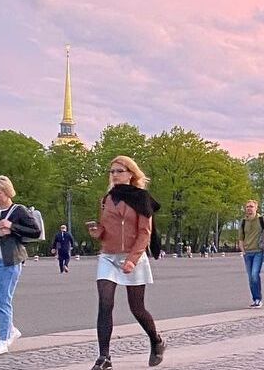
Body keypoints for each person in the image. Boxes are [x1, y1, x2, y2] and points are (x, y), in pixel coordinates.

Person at [85, 156, 165, 369]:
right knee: (105, 303)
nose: (114, 175)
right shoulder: (107, 198)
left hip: (133, 256)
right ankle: (104, 357)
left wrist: (132, 260)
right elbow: (105, 229)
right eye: (112, 171)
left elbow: (144, 232)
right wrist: (97, 231)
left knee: (137, 308)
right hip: (108, 256)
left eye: (119, 171)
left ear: (131, 174)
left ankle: (156, 340)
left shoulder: (142, 198)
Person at [0, 176, 41, 356]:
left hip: (9, 260)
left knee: (3, 299)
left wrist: (11, 227)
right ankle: (11, 329)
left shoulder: (18, 210)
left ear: (7, 192)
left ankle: (3, 339)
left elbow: (35, 231)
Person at [237, 200, 264, 308]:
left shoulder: (262, 220)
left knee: (254, 275)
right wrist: (243, 250)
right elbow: (241, 238)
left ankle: (258, 299)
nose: (249, 208)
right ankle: (255, 299)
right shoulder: (243, 222)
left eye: (251, 206)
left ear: (256, 208)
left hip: (258, 251)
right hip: (247, 253)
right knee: (250, 278)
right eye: (247, 206)